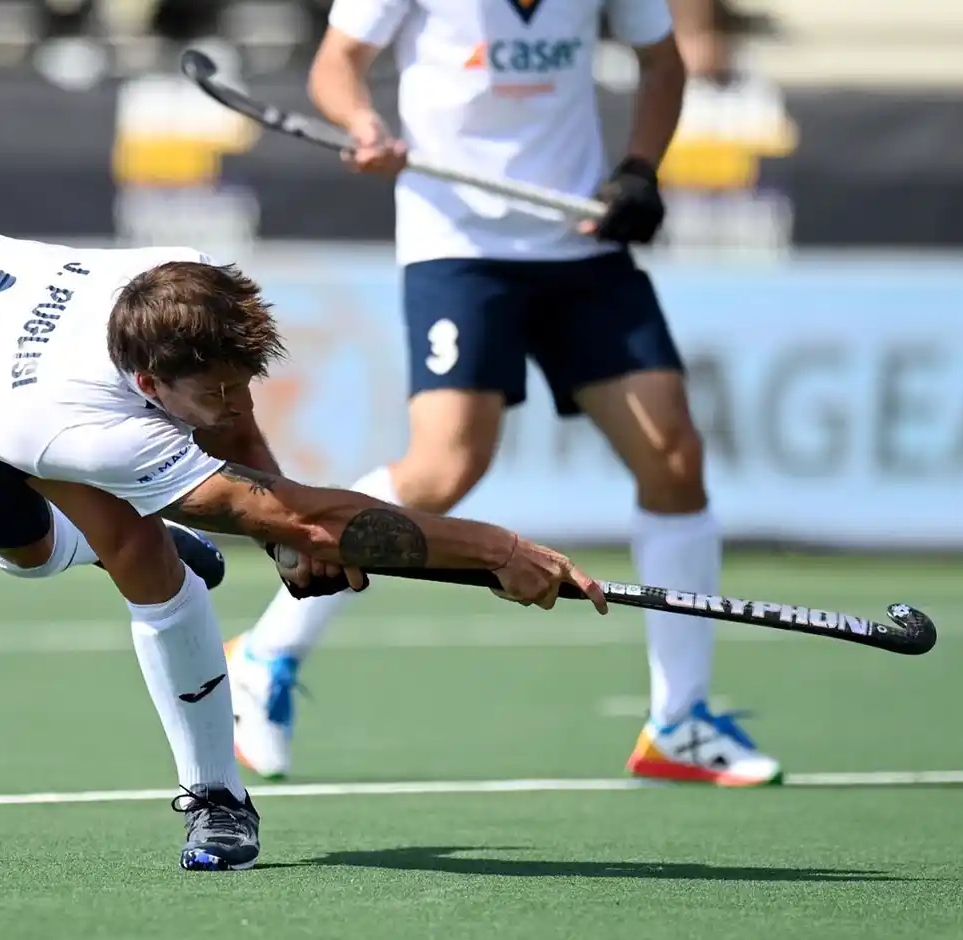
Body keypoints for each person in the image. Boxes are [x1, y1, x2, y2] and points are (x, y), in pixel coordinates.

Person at [0, 230, 607, 871]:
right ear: (147, 383)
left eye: (243, 383)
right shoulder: (80, 429)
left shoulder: (185, 284)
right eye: (215, 393)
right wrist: (497, 550)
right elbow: (298, 517)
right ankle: (125, 530)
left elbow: (251, 461)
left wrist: (279, 529)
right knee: (30, 553)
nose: (235, 405)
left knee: (144, 557)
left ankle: (215, 799)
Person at [224, 0, 781, 786]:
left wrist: (640, 170)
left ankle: (680, 721)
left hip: (582, 247)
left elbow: (663, 61)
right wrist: (364, 124)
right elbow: (336, 63)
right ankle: (264, 656)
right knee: (442, 471)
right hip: (459, 247)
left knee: (675, 460)